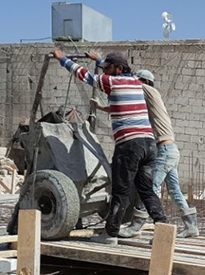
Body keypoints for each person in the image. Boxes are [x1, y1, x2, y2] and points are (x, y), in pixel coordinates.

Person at [50, 49, 167, 245]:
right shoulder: (136, 83)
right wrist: (99, 60)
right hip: (148, 144)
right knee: (146, 190)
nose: (104, 72)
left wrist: (62, 59)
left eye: (108, 69)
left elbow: (84, 75)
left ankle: (110, 234)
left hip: (129, 145)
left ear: (118, 69)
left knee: (120, 191)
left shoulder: (112, 82)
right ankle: (164, 229)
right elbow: (113, 69)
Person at [99, 69, 198, 239]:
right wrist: (102, 107)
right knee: (174, 190)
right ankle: (191, 225)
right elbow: (122, 105)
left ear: (143, 81)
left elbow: (126, 85)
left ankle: (136, 226)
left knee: (149, 188)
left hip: (164, 150)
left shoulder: (147, 90)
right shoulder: (151, 98)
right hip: (171, 149)